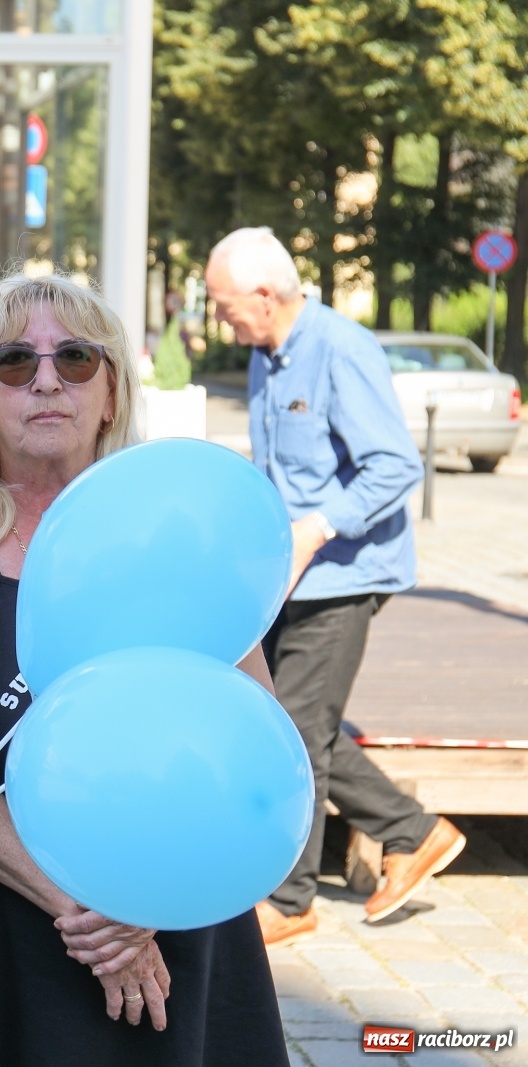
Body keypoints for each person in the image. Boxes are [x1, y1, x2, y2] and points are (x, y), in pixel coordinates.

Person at [0, 272, 289, 1065]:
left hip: (189, 904)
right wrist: (83, 910)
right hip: (37, 922)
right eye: (13, 362)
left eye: (75, 358)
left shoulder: (175, 536)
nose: (44, 381)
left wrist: (147, 908)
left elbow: (256, 736)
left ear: (111, 391)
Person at [206, 227, 464, 946]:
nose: (219, 317)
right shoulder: (265, 357)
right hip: (289, 578)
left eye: (224, 304)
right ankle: (413, 830)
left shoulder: (340, 349)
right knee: (288, 718)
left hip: (344, 577)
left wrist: (316, 528)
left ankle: (290, 900)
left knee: (297, 731)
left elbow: (394, 466)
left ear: (264, 295)